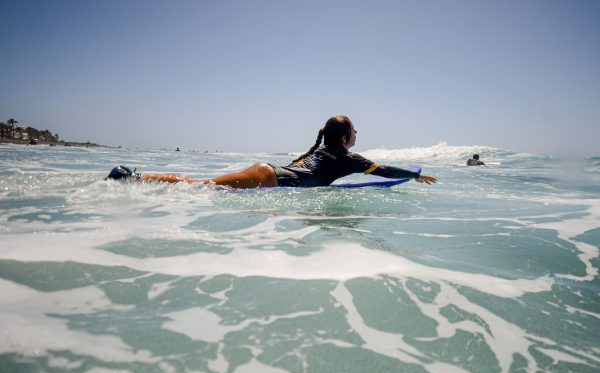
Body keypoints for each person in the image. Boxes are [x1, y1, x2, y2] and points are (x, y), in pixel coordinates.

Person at [106, 116, 438, 188]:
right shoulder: (347, 157)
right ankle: (133, 177)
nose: (357, 135)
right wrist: (415, 175)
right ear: (345, 137)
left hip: (267, 172)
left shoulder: (325, 152)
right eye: (354, 131)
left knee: (202, 185)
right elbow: (383, 170)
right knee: (200, 186)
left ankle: (135, 177)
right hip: (267, 177)